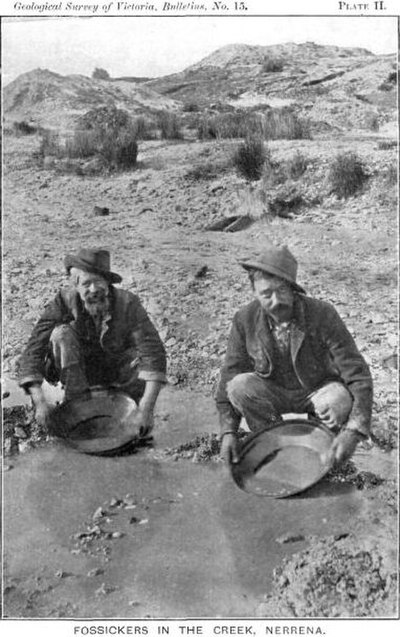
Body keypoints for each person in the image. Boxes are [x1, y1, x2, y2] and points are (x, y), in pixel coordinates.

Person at [216, 243, 373, 466]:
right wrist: (228, 432)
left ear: (292, 289)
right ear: (255, 293)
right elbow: (229, 374)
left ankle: (324, 442)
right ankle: (273, 441)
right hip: (272, 392)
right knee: (238, 386)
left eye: (281, 291)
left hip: (317, 391)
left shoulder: (322, 314)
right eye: (266, 294)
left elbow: (357, 373)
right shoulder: (245, 319)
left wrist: (353, 431)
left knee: (338, 399)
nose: (275, 301)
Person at [18, 248, 167, 435]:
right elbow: (34, 349)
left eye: (98, 281)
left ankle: (129, 403)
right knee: (61, 335)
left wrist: (147, 407)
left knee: (138, 360)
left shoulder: (128, 303)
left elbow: (153, 352)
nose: (94, 289)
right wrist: (40, 401)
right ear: (76, 285)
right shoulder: (63, 301)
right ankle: (76, 401)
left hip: (116, 372)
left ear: (108, 283)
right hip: (78, 372)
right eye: (87, 283)